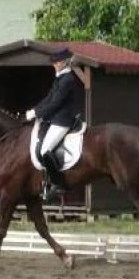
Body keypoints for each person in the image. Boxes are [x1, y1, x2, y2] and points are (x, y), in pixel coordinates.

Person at [25, 47, 85, 201]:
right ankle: (48, 181)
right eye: (54, 62)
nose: (54, 65)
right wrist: (35, 109)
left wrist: (38, 114)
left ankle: (58, 184)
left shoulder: (68, 80)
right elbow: (48, 99)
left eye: (56, 62)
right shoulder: (60, 79)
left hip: (63, 121)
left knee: (45, 150)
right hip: (55, 119)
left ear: (64, 62)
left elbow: (56, 103)